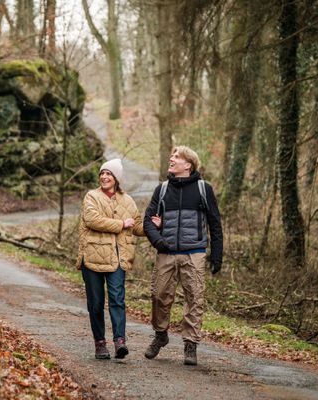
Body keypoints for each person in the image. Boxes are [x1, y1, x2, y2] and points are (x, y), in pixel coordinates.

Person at [143, 146, 223, 365]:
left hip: (194, 253)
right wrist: (158, 241)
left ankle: (190, 344)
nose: (171, 159)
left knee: (194, 298)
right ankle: (160, 334)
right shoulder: (162, 190)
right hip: (165, 253)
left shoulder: (203, 189)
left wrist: (217, 255)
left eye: (176, 157)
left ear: (188, 164)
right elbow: (147, 221)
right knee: (159, 295)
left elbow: (215, 224)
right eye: (172, 156)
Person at [76, 158, 144, 359]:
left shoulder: (128, 201)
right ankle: (100, 343)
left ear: (117, 178)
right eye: (102, 173)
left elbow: (136, 225)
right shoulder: (91, 196)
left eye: (109, 174)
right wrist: (121, 223)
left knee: (117, 299)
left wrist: (154, 226)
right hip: (93, 257)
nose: (104, 177)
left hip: (118, 259)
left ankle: (119, 341)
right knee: (96, 303)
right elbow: (92, 220)